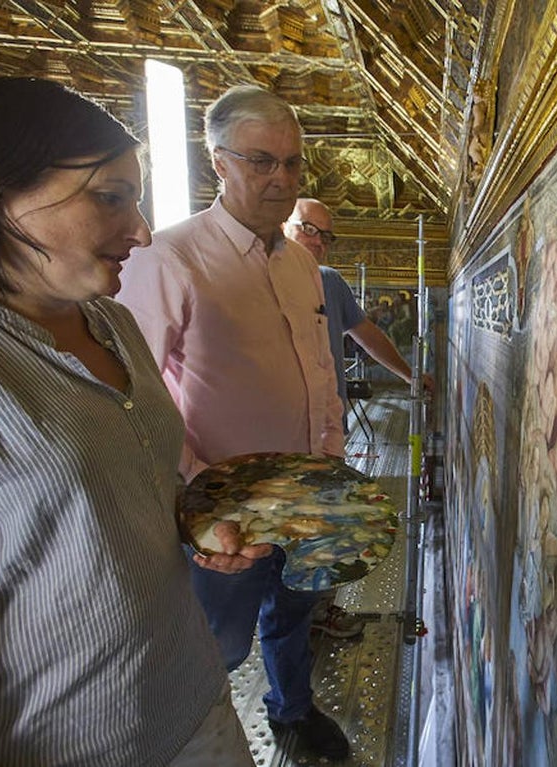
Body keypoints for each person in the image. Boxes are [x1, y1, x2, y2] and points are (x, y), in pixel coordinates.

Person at [0, 77, 254, 766]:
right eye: (109, 196)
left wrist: (194, 523)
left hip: (192, 702)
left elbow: (112, 487)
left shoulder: (114, 324)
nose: (138, 230)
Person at [117, 86, 350, 760]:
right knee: (214, 639)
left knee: (294, 611)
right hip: (226, 507)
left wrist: (329, 461)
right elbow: (136, 393)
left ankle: (292, 710)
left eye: (293, 163)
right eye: (261, 160)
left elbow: (318, 370)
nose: (281, 177)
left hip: (306, 491)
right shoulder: (171, 259)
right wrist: (200, 488)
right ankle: (188, 740)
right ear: (219, 162)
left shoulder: (303, 263)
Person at [283, 197, 434, 423]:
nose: (318, 242)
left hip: (327, 420)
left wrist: (410, 375)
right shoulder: (253, 281)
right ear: (282, 226)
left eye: (326, 237)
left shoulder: (331, 282)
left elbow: (367, 334)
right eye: (308, 229)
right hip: (278, 421)